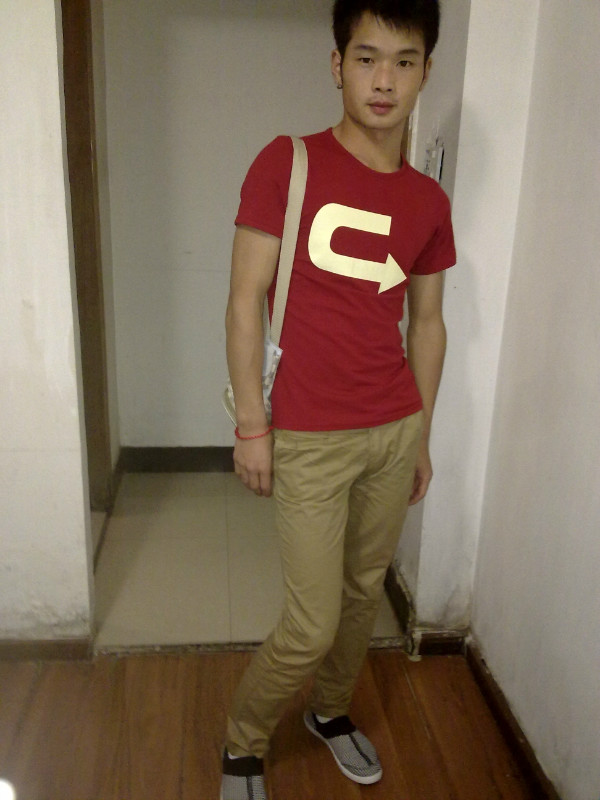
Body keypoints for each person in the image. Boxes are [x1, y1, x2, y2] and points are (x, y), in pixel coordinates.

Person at [222, 1, 455, 797]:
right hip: (311, 435)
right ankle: (242, 742)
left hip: (394, 427)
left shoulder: (428, 201)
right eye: (366, 58)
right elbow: (244, 300)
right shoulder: (287, 163)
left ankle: (330, 711)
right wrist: (251, 424)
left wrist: (421, 436)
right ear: (337, 66)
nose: (384, 80)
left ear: (425, 72)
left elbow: (428, 324)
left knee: (363, 597)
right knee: (311, 620)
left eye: (404, 61)